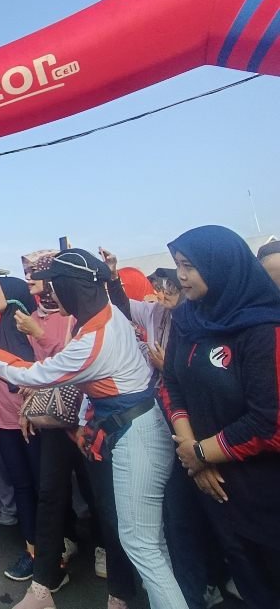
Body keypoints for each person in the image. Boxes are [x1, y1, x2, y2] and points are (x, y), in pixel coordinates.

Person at [0, 249, 187, 609]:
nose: (48, 296)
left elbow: (31, 375)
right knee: (150, 544)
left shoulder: (92, 339)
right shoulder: (104, 315)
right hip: (131, 427)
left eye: (56, 288)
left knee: (142, 547)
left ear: (73, 290)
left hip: (135, 436)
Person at [163, 225, 280, 608]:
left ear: (221, 266)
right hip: (208, 478)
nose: (180, 276)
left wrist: (201, 454)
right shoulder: (187, 321)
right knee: (242, 573)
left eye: (190, 266)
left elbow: (270, 422)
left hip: (260, 487)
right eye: (178, 265)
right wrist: (192, 453)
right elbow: (170, 384)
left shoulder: (263, 329)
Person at [102, 251, 223, 609]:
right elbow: (125, 307)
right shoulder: (156, 312)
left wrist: (164, 364)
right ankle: (191, 589)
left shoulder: (197, 320)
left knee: (199, 513)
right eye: (160, 287)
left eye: (171, 286)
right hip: (167, 424)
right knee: (176, 517)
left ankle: (208, 581)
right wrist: (112, 279)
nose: (164, 294)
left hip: (199, 429)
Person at [17, 249, 97, 593]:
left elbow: (68, 361)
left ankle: (105, 548)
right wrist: (30, 400)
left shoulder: (73, 315)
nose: (29, 280)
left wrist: (41, 333)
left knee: (94, 490)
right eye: (26, 274)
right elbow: (41, 370)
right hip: (53, 417)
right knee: (50, 493)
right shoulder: (33, 315)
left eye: (35, 274)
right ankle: (46, 576)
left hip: (84, 417)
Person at [0, 277, 41, 582]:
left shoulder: (29, 330)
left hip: (37, 422)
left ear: (14, 295)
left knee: (46, 487)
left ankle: (59, 547)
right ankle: (33, 551)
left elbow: (45, 371)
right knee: (22, 486)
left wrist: (31, 408)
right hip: (5, 425)